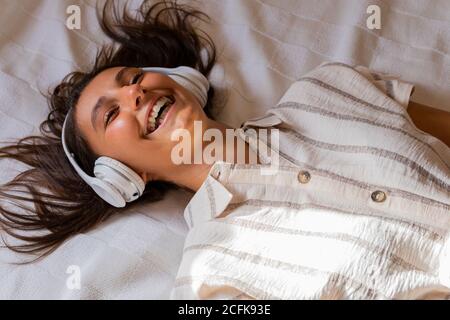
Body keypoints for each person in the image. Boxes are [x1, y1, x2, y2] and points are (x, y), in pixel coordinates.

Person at [0, 0, 449, 299]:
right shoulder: (211, 279)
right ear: (122, 177)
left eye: (135, 77)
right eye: (110, 115)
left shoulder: (330, 88)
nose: (135, 93)